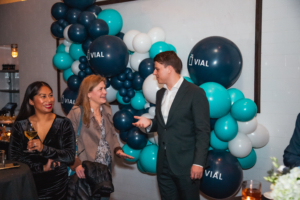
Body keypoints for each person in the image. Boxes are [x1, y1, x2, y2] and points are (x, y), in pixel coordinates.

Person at [133, 51, 210, 200]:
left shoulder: (195, 93)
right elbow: (165, 125)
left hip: (187, 165)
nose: (154, 73)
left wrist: (198, 163)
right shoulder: (160, 94)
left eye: (157, 69)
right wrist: (150, 123)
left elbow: (203, 131)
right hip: (163, 164)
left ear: (169, 69)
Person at [67, 75, 134, 199]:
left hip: (104, 171)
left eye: (104, 88)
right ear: (88, 93)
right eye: (100, 89)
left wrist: (117, 150)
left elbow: (112, 135)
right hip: (85, 170)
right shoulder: (76, 112)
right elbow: (66, 141)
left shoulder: (107, 110)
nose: (105, 92)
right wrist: (76, 165)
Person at [9, 81, 76, 200]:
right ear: (31, 101)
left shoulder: (64, 124)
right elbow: (15, 159)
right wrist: (42, 168)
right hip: (28, 184)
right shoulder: (21, 126)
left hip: (57, 186)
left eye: (50, 95)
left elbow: (69, 156)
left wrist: (43, 149)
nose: (49, 100)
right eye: (43, 96)